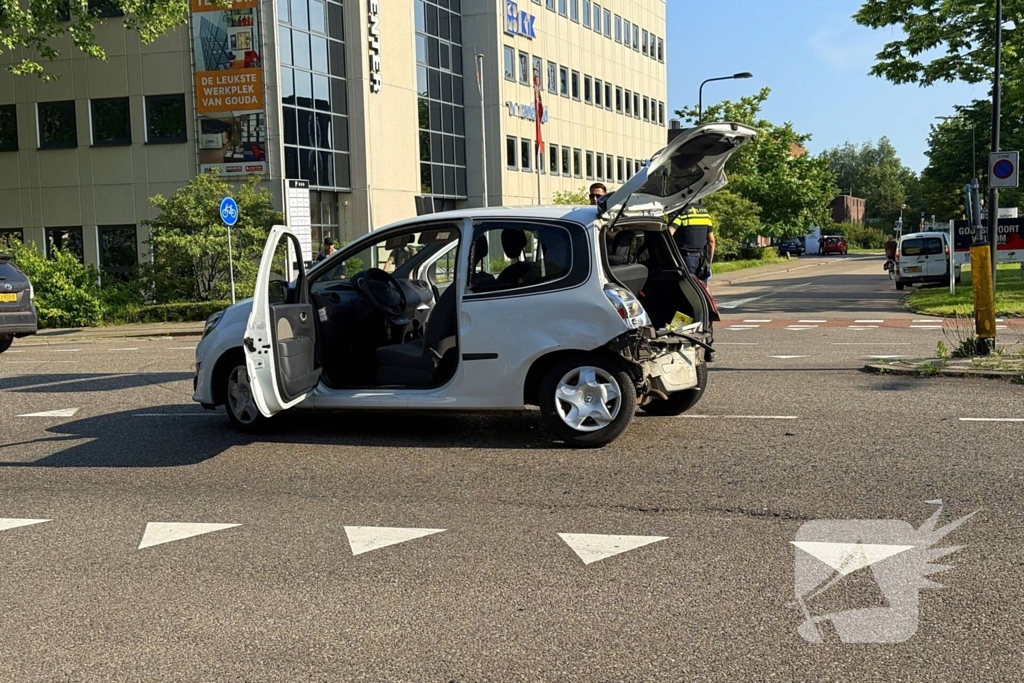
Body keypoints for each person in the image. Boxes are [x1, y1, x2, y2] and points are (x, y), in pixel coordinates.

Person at [669, 204, 715, 282]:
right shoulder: (705, 212)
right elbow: (711, 241)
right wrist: (709, 262)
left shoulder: (681, 211)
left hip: (685, 259)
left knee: (686, 289)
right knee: (701, 289)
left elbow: (669, 234)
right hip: (702, 260)